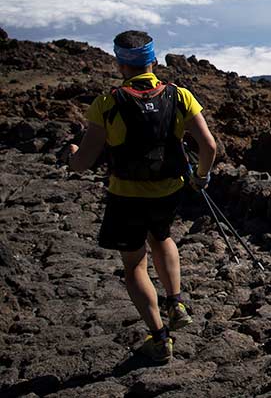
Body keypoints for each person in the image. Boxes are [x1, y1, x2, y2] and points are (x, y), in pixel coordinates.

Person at [66, 30, 217, 363]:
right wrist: (201, 177)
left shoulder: (107, 104)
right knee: (162, 236)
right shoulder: (180, 96)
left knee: (134, 264)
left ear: (120, 64)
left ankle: (159, 337)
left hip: (126, 196)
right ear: (153, 59)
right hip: (170, 190)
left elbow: (83, 163)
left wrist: (71, 154)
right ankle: (176, 302)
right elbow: (209, 146)